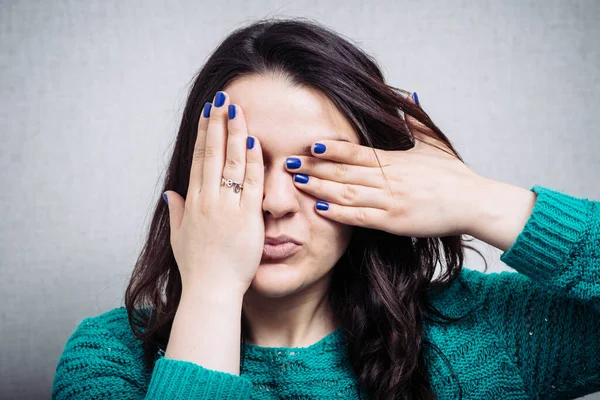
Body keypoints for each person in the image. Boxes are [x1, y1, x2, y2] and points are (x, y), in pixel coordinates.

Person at [51, 18, 600, 400]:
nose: (274, 202)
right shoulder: (110, 358)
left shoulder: (482, 335)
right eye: (240, 168)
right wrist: (212, 294)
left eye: (311, 167)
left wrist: (482, 201)